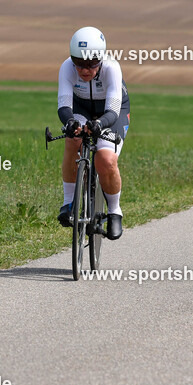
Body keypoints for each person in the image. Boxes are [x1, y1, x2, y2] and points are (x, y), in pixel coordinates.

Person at [56, 26, 129, 240]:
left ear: (101, 59)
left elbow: (113, 109)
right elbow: (64, 105)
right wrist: (70, 121)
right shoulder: (66, 68)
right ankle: (68, 203)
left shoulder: (112, 68)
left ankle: (115, 211)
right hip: (81, 109)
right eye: (79, 64)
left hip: (110, 112)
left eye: (91, 64)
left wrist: (99, 124)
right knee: (73, 140)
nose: (85, 70)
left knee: (105, 159)